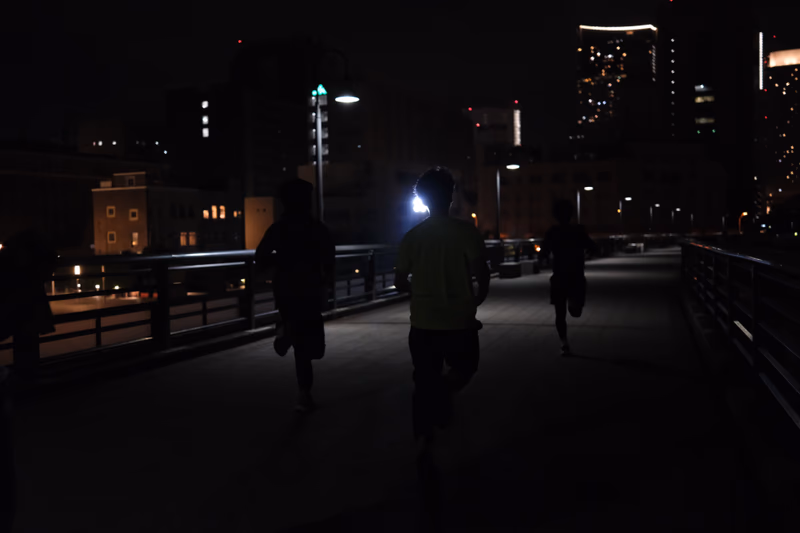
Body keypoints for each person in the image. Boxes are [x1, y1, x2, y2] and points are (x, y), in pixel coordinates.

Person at [394, 167, 491, 465]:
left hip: (423, 322)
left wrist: (419, 292)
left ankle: (424, 437)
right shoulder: (466, 233)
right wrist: (476, 298)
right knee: (465, 368)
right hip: (459, 320)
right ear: (451, 196)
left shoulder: (411, 237)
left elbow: (399, 281)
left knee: (424, 379)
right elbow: (481, 274)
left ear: (422, 199)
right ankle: (444, 393)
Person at [255, 179, 335, 413]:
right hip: (310, 288)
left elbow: (260, 257)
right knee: (310, 345)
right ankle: (304, 391)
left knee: (301, 341)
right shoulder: (316, 227)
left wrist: (281, 259)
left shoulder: (279, 228)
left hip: (286, 287)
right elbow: (329, 259)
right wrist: (325, 282)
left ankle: (287, 335)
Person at [540, 199, 597, 356]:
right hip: (576, 275)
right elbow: (593, 247)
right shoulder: (579, 230)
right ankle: (565, 343)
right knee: (575, 311)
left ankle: (564, 342)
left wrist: (543, 259)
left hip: (559, 276)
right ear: (571, 214)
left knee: (560, 313)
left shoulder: (552, 232)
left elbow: (543, 254)